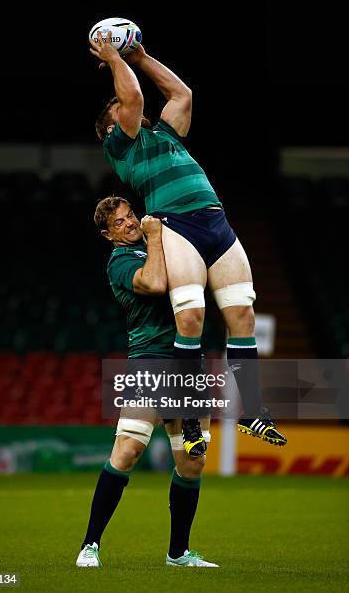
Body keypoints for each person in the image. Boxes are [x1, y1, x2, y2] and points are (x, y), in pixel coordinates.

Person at [89, 31, 287, 449]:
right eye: (117, 108)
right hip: (177, 226)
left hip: (216, 223)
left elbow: (182, 94)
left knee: (243, 319)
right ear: (110, 127)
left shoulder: (165, 136)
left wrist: (140, 57)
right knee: (192, 319)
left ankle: (251, 412)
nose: (125, 108)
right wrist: (112, 59)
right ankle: (191, 420)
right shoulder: (121, 147)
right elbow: (135, 100)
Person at [76, 196, 218, 568]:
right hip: (150, 362)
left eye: (131, 216)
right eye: (119, 223)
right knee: (127, 452)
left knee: (192, 460)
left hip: (189, 364)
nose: (130, 223)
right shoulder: (121, 262)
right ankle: (89, 545)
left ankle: (179, 553)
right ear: (108, 235)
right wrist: (155, 235)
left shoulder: (162, 246)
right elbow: (155, 283)